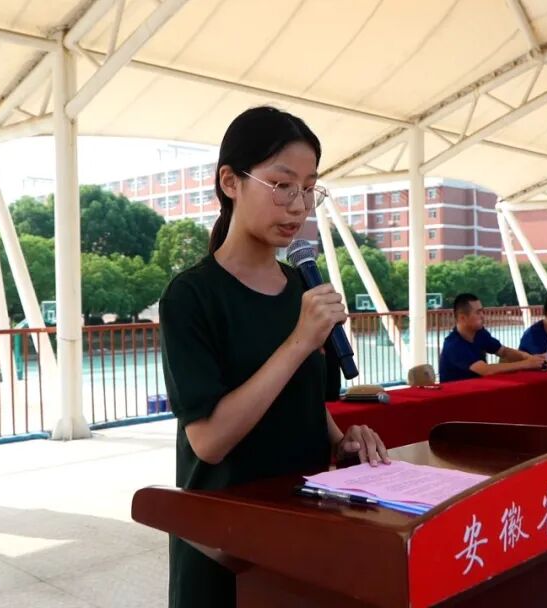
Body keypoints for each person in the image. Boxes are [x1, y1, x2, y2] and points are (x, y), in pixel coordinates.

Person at [158, 107, 390, 608]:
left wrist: (343, 440)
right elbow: (209, 441)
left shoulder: (300, 287)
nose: (298, 206)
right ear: (230, 182)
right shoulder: (191, 297)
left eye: (308, 189)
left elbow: (305, 403)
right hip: (222, 545)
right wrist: (299, 342)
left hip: (300, 533)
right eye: (282, 186)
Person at [438, 293, 543, 382]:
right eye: (478, 312)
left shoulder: (480, 333)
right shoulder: (453, 344)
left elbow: (504, 351)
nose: (483, 316)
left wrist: (528, 357)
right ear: (462, 318)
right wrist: (526, 364)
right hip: (456, 396)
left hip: (478, 389)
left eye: (482, 311)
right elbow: (486, 370)